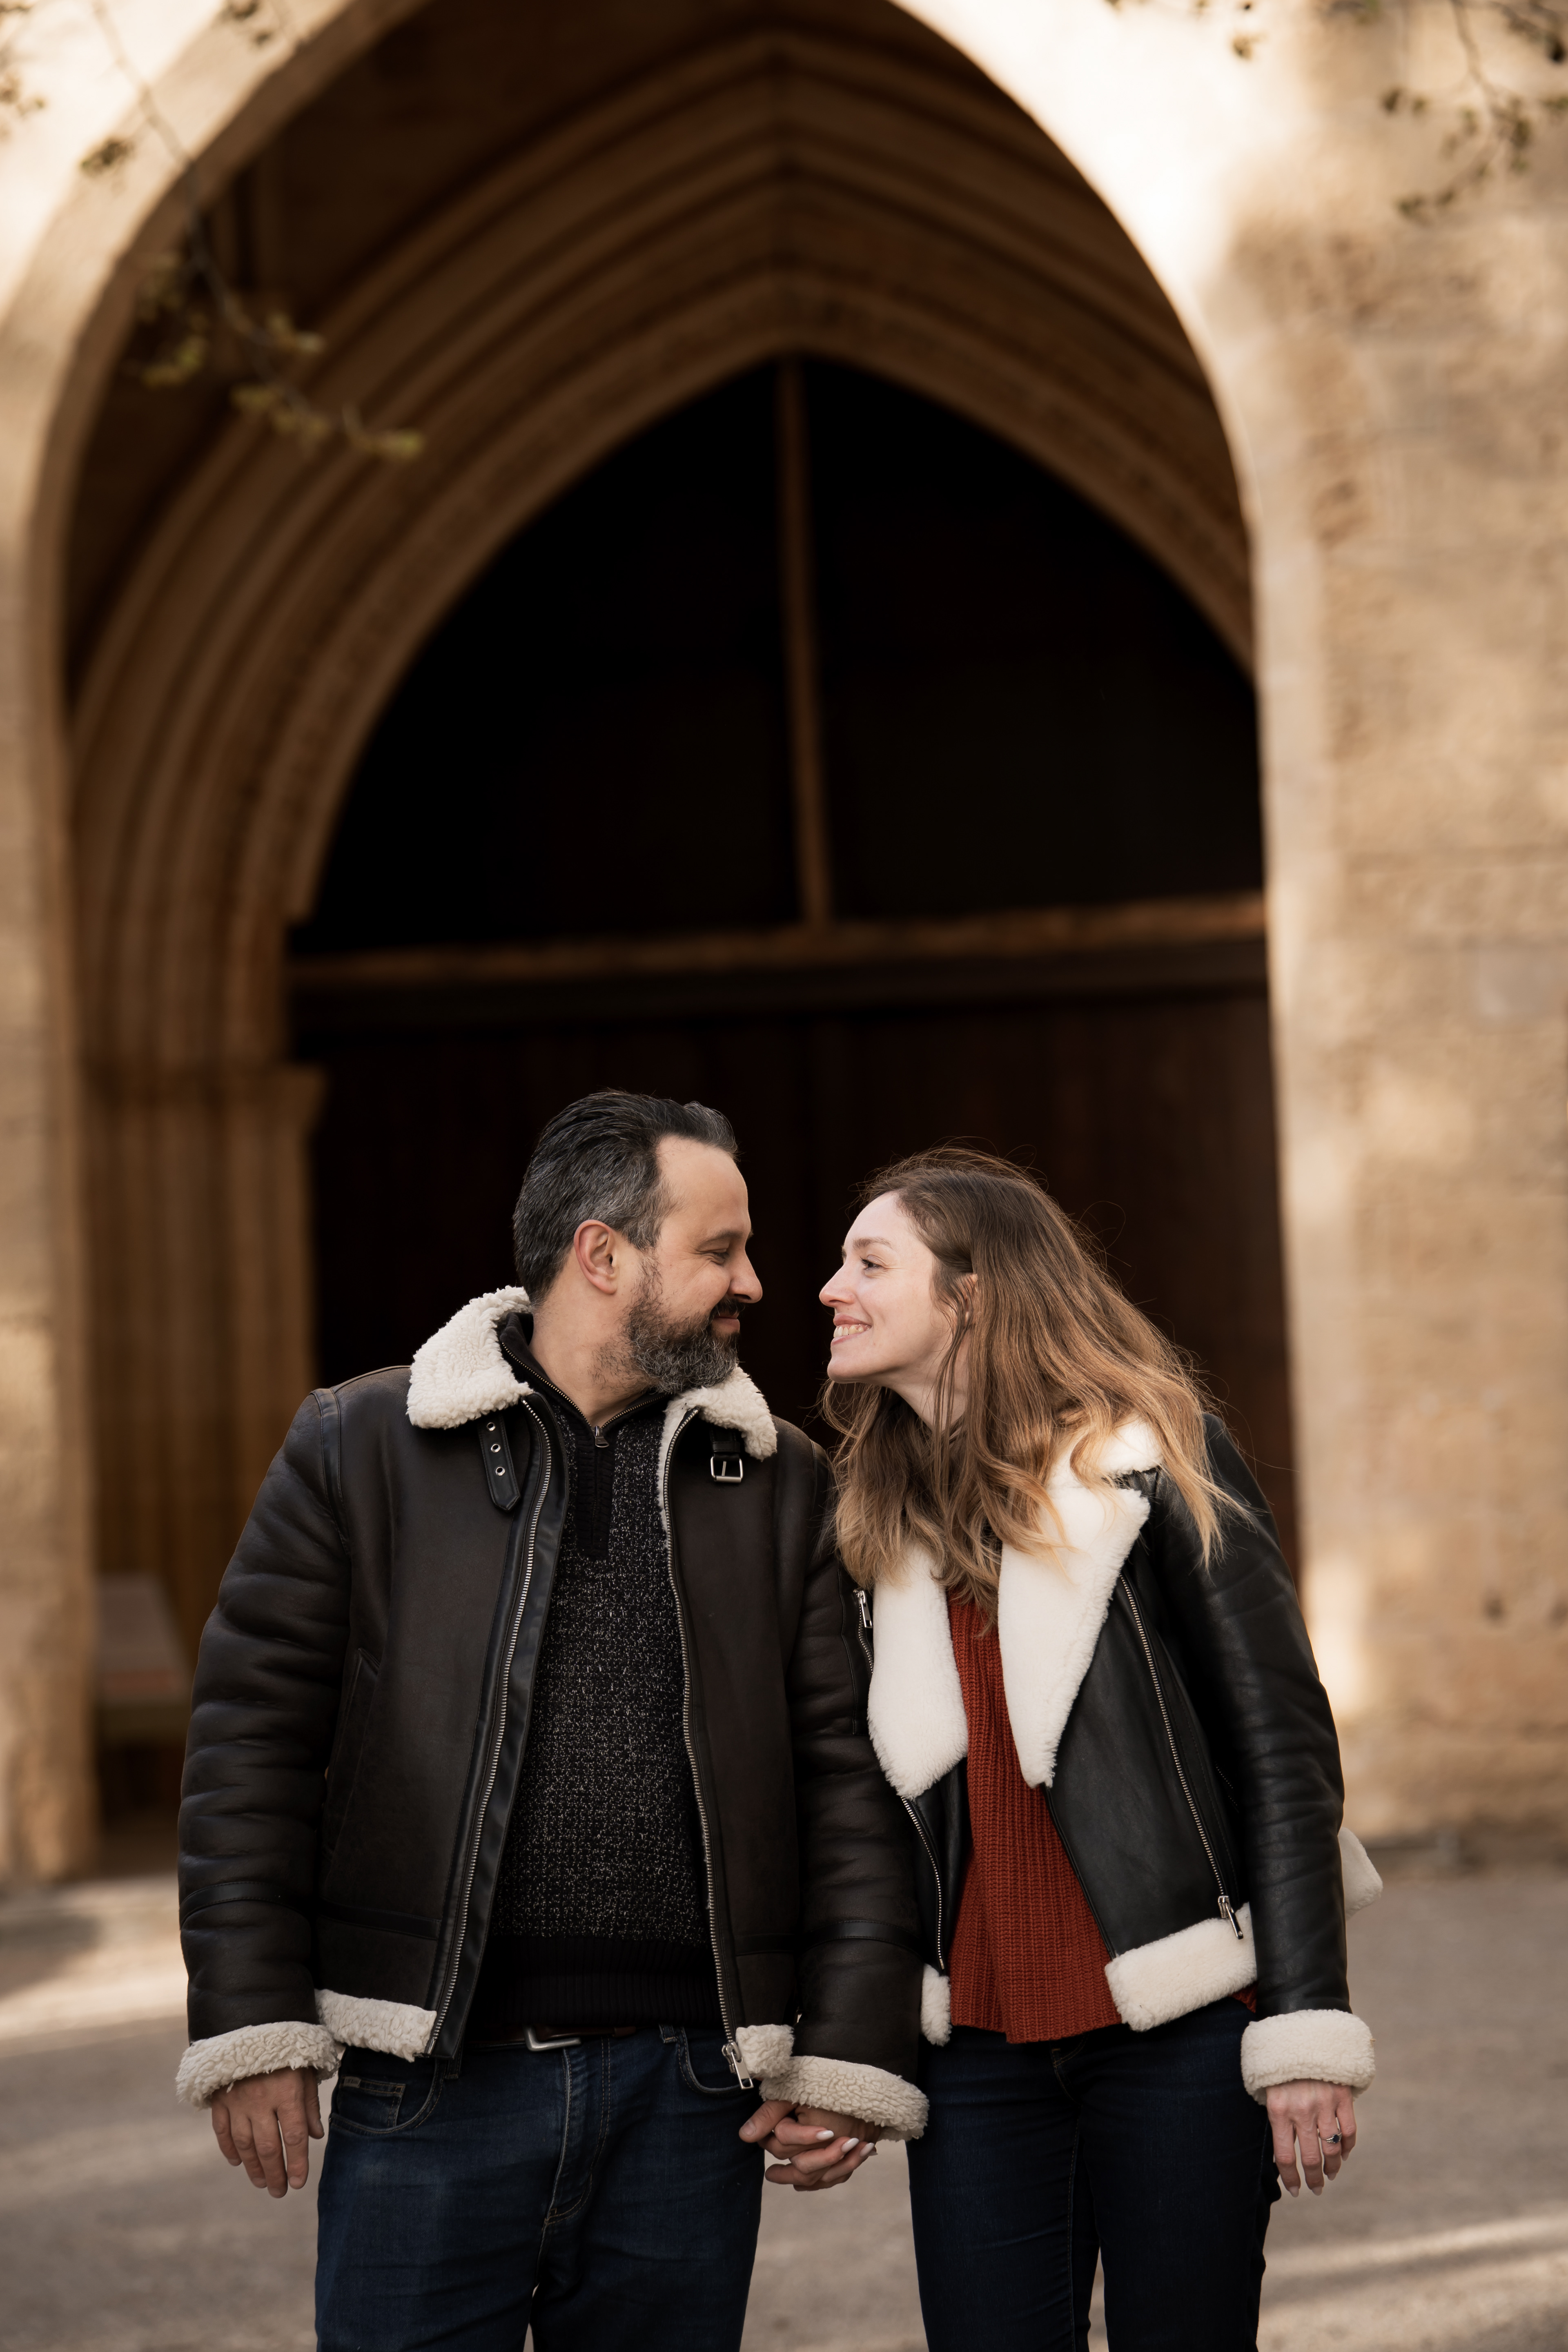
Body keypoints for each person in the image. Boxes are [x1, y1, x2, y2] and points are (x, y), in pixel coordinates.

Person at [176, 1091, 926, 2352]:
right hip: (432, 2083)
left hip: (693, 2094)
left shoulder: (783, 1479)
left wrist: (846, 2045)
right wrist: (252, 2023)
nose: (753, 1281)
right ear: (601, 1255)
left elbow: (844, 1775)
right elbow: (249, 1746)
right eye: (719, 1251)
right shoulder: (357, 1446)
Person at [817, 1146, 1380, 2352]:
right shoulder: (869, 1523)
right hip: (975, 2057)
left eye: (871, 1263)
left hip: (1177, 2029)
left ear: (970, 1296)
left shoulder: (1152, 1463)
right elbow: (855, 1813)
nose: (831, 1289)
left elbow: (1282, 1749)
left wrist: (1305, 2027)